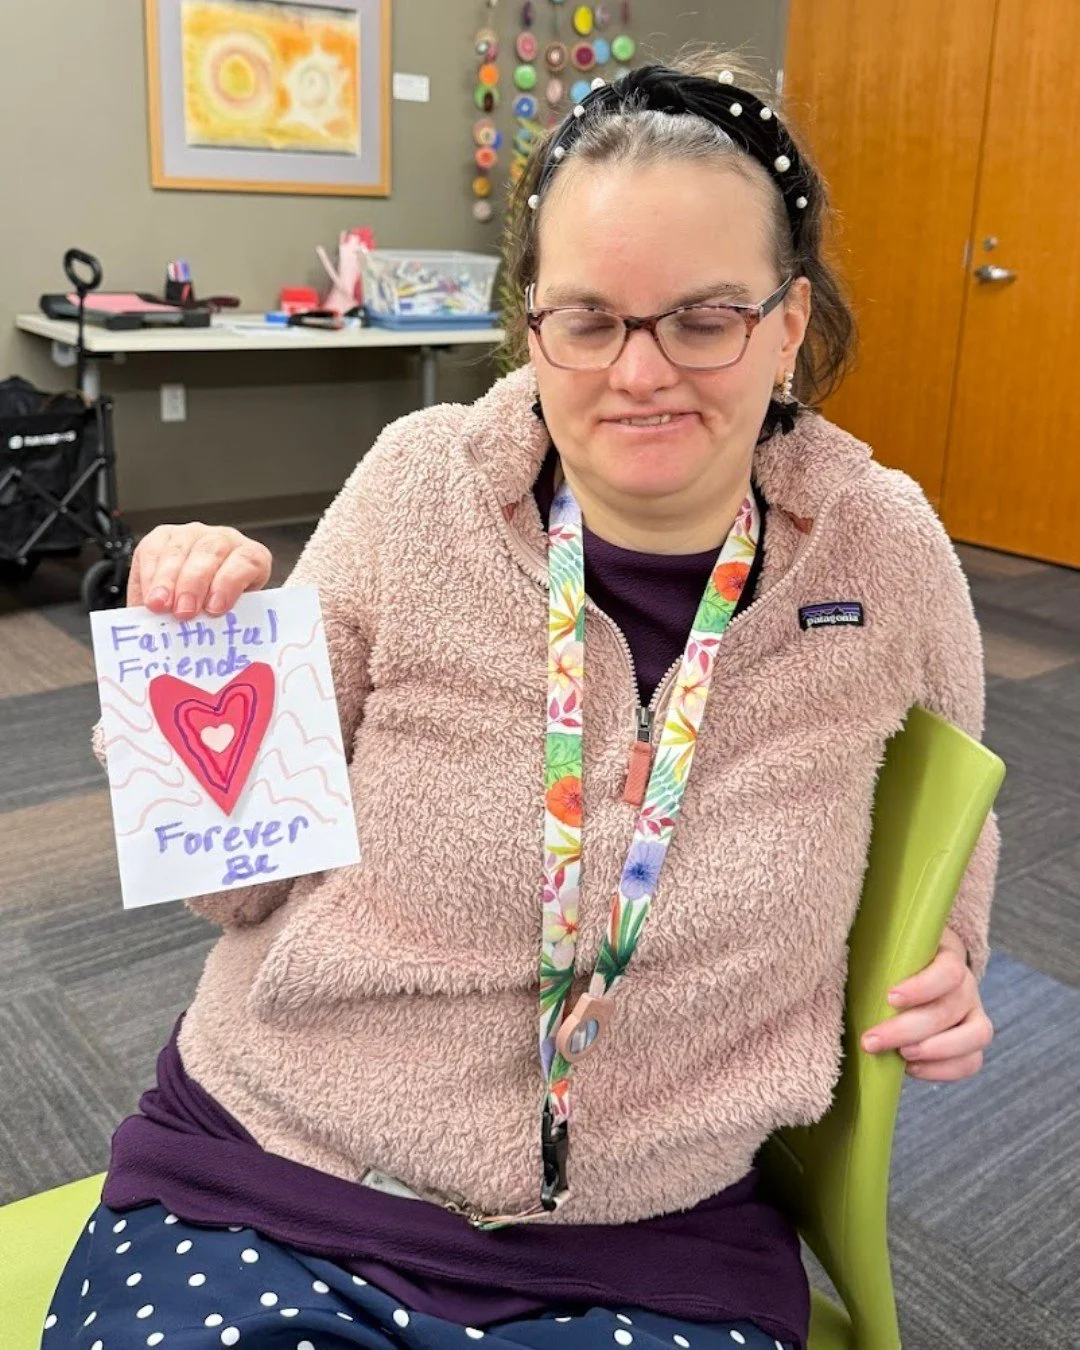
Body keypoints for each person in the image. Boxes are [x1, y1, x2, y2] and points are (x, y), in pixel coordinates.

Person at [45, 51, 998, 1350]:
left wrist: (950, 965)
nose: (641, 373)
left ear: (787, 324)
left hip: (650, 1237)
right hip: (284, 1169)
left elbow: (955, 834)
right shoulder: (416, 486)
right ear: (532, 326)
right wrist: (190, 667)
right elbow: (235, 887)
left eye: (705, 318)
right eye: (590, 320)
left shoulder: (884, 554)